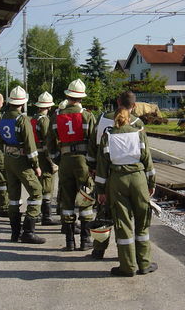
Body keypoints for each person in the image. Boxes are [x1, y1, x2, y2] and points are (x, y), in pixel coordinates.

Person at [95, 91, 158, 277]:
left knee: (123, 224)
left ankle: (127, 266)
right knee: (142, 223)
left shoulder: (108, 135)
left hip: (117, 181)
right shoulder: (138, 132)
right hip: (138, 179)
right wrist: (151, 183)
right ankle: (144, 263)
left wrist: (101, 190)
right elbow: (148, 160)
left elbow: (102, 166)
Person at [86, 93, 144, 259]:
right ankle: (124, 252)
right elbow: (142, 151)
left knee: (103, 211)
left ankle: (98, 249)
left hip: (104, 173)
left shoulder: (102, 118)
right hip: (127, 174)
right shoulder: (137, 123)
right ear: (134, 105)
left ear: (117, 102)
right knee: (124, 215)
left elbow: (92, 145)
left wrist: (92, 167)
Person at [48, 79, 97, 251]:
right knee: (85, 200)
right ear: (81, 97)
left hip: (65, 160)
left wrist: (57, 159)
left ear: (68, 96)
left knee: (67, 200)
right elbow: (93, 142)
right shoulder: (87, 116)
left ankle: (69, 242)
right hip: (82, 161)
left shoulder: (57, 115)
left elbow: (50, 141)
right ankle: (85, 239)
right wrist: (93, 164)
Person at [0, 86, 46, 244]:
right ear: (23, 103)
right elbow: (30, 146)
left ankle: (15, 233)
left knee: (13, 197)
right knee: (37, 191)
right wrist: (36, 165)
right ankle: (28, 231)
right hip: (21, 160)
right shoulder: (22, 119)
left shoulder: (3, 117)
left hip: (8, 158)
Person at [31, 91, 58, 226]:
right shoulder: (45, 120)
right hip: (44, 155)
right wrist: (52, 162)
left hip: (34, 154)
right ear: (49, 107)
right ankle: (46, 216)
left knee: (38, 184)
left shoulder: (33, 118)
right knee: (47, 184)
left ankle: (37, 213)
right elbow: (48, 143)